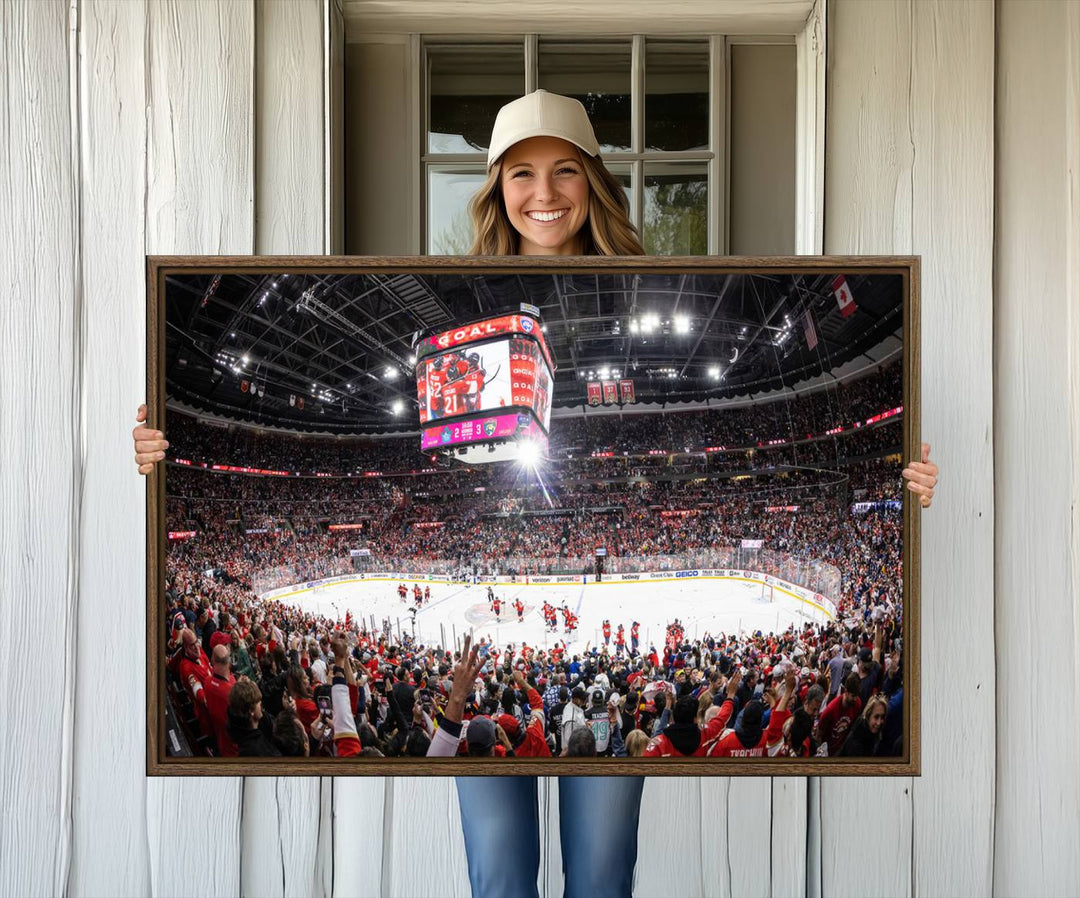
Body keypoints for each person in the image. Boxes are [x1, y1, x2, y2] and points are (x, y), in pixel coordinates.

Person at [132, 89, 940, 898]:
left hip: (541, 731)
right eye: (521, 173)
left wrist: (903, 481)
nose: (544, 194)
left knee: (598, 879)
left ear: (594, 180)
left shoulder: (651, 276)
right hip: (492, 729)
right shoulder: (444, 283)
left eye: (564, 171)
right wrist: (156, 448)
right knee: (501, 880)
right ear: (495, 188)